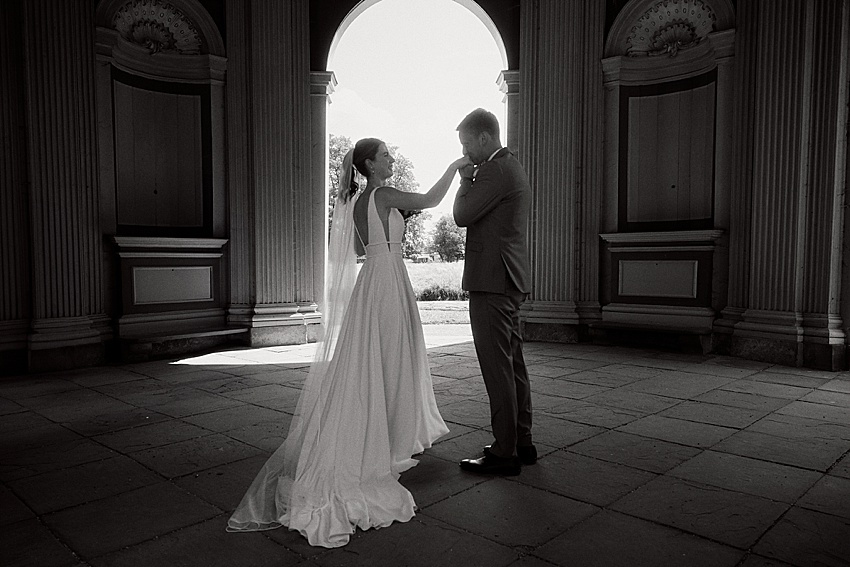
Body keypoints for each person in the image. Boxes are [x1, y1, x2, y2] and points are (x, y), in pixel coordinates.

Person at [226, 137, 470, 548]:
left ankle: (384, 434)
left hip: (373, 281)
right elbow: (429, 198)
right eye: (387, 155)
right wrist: (455, 166)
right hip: (389, 282)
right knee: (393, 360)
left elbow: (358, 247)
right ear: (371, 166)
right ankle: (385, 441)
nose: (392, 158)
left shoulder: (356, 203)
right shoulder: (384, 193)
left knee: (374, 360)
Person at [453, 109, 535, 476]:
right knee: (513, 365)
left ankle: (504, 454)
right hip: (507, 280)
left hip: (492, 282)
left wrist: (464, 180)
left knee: (497, 368)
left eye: (467, 143)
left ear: (485, 138)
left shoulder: (493, 170)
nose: (466, 151)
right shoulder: (510, 166)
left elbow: (462, 214)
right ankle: (521, 442)